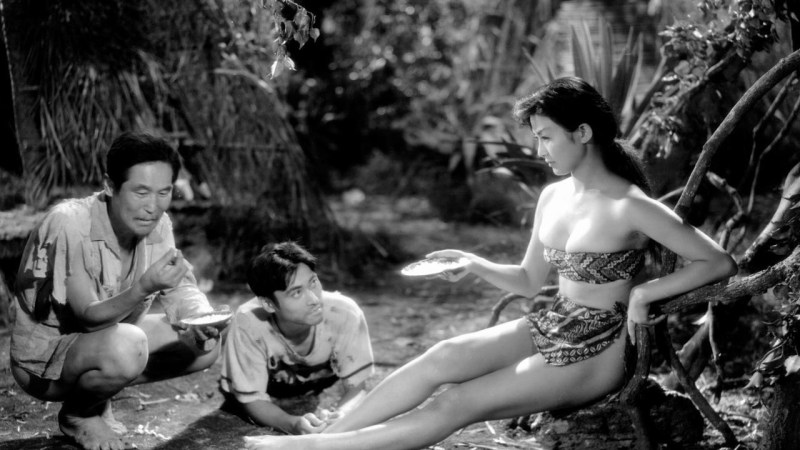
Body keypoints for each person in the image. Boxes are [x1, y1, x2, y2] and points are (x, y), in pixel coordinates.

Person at [242, 77, 738, 450]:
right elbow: (528, 280)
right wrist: (472, 261)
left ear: (583, 132)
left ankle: (314, 448)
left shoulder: (629, 205)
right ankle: (332, 435)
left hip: (600, 351)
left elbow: (719, 262)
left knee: (456, 402)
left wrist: (645, 293)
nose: (539, 150)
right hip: (555, 323)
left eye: (547, 137)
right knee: (443, 357)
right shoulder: (553, 196)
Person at [9, 132, 225, 450]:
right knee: (129, 345)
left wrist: (200, 315)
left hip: (106, 341)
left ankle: (98, 396)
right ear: (110, 185)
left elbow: (181, 286)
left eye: (164, 192)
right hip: (46, 362)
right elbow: (88, 317)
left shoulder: (158, 224)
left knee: (203, 345)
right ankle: (79, 414)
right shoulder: (69, 223)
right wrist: (145, 286)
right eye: (141, 192)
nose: (153, 207)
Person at [220, 241, 375, 435]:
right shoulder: (248, 322)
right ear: (268, 304)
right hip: (272, 388)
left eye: (313, 282)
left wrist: (340, 416)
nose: (314, 300)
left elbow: (358, 386)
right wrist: (292, 424)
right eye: (296, 292)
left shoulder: (344, 313)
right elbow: (251, 398)